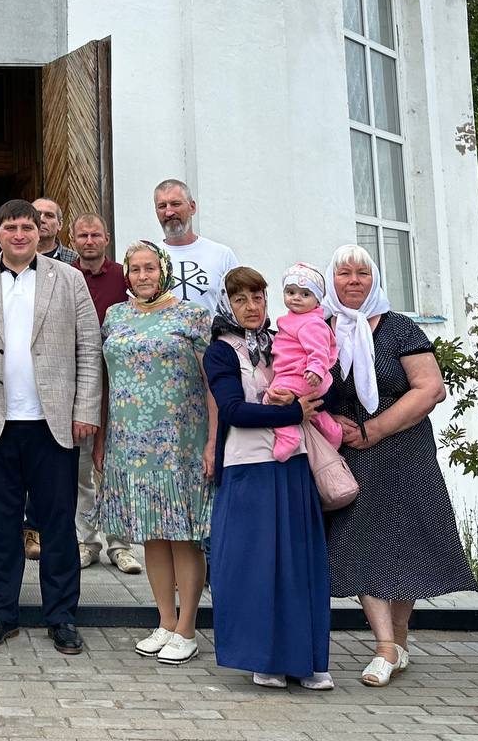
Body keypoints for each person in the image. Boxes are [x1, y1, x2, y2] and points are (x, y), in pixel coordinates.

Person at [0, 200, 102, 656]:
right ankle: (0, 614)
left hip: (52, 423)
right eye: (11, 227)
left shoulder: (69, 280)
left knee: (57, 525)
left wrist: (86, 410)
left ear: (40, 233)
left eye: (27, 227)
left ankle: (61, 617)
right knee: (1, 525)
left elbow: (89, 349)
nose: (19, 234)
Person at [321, 244, 475, 687]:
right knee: (364, 541)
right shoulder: (322, 329)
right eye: (344, 273)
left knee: (405, 541)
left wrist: (376, 430)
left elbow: (430, 389)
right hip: (347, 450)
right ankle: (385, 645)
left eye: (362, 274)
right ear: (332, 280)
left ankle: (399, 641)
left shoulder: (399, 328)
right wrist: (333, 423)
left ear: (375, 280)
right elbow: (302, 382)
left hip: (404, 446)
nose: (353, 281)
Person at [204, 267, 333, 690]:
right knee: (254, 566)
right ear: (227, 303)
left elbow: (318, 386)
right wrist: (292, 412)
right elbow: (235, 411)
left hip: (292, 464)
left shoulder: (284, 341)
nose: (252, 306)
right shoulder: (221, 351)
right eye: (240, 299)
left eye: (258, 297)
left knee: (297, 565)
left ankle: (306, 662)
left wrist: (306, 395)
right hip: (246, 470)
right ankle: (264, 659)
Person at [97, 240, 215, 665]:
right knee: (151, 533)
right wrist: (101, 439)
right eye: (135, 270)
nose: (142, 276)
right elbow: (107, 382)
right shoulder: (116, 315)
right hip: (130, 442)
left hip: (180, 441)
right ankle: (165, 620)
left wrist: (212, 440)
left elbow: (213, 382)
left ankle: (187, 627)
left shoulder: (193, 316)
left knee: (184, 535)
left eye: (150, 268)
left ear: (163, 269)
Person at [70, 213, 140, 575]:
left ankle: (121, 545)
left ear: (107, 238)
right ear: (73, 239)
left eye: (95, 234)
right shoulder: (65, 275)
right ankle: (87, 542)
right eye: (82, 235)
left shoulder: (123, 276)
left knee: (115, 470)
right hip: (80, 385)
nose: (89, 240)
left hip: (120, 384)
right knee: (81, 471)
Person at [268, 264, 342, 462]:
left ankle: (288, 436)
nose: (296, 298)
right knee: (313, 410)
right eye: (290, 292)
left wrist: (316, 369)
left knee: (272, 398)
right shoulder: (295, 319)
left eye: (305, 294)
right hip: (301, 376)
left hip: (304, 376)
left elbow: (320, 349)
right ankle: (333, 433)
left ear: (317, 300)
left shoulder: (311, 323)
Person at [154, 179, 239, 314]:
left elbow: (239, 303)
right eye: (162, 206)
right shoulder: (149, 258)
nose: (169, 212)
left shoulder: (222, 255)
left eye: (175, 204)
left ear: (192, 207)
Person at [33, 198, 78, 264]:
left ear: (59, 224)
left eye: (49, 215)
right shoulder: (14, 256)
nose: (41, 219)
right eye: (36, 214)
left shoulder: (74, 261)